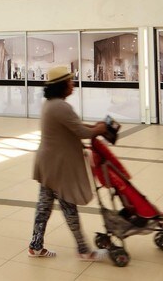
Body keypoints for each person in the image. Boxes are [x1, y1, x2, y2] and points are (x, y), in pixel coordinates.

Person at [27, 66, 108, 261]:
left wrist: (93, 126)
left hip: (47, 164)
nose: (73, 85)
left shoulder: (51, 104)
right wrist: (99, 130)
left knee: (44, 207)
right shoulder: (60, 107)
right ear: (61, 85)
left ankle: (35, 246)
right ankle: (84, 250)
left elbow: (73, 126)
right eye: (70, 82)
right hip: (57, 167)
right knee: (68, 206)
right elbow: (81, 132)